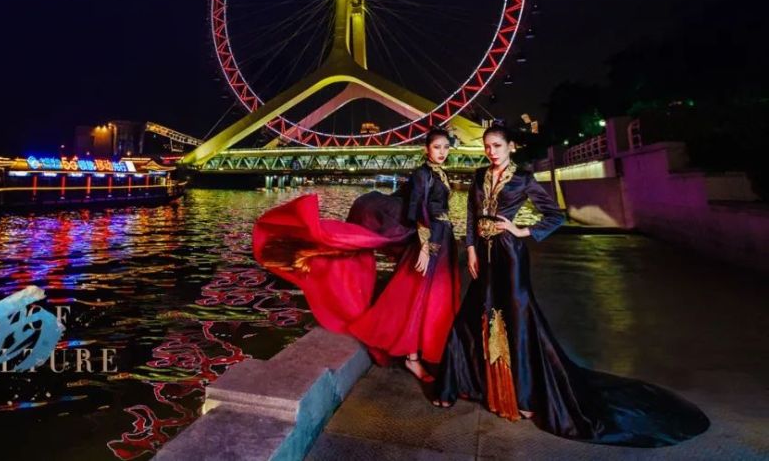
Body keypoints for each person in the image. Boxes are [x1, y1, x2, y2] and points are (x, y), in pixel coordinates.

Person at [431, 122, 709, 447]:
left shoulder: (523, 179)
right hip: (485, 257)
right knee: (472, 315)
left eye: (497, 146)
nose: (491, 152)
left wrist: (523, 231)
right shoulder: (479, 176)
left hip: (511, 257)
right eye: (487, 146)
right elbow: (472, 215)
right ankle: (465, 381)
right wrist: (471, 248)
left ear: (511, 148)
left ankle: (522, 393)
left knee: (518, 321)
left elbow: (554, 214)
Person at [252, 127, 460, 381]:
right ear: (425, 149)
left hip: (443, 238)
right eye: (437, 147)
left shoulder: (441, 174)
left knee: (433, 298)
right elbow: (416, 210)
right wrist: (425, 247)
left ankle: (428, 352)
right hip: (430, 240)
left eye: (446, 147)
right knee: (414, 297)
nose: (442, 152)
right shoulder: (422, 175)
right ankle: (412, 359)